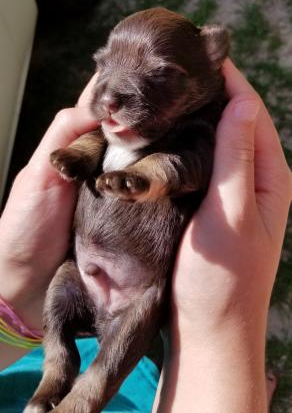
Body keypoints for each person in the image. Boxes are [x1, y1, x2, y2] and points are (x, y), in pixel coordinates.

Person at [0, 59, 291, 412]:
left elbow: (183, 167)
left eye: (161, 74)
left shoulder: (194, 133)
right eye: (104, 64)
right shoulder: (112, 128)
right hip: (77, 272)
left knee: (121, 331)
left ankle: (85, 395)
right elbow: (93, 141)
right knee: (60, 321)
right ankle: (56, 374)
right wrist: (219, 335)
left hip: (135, 289)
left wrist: (16, 285)